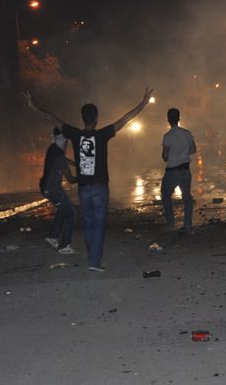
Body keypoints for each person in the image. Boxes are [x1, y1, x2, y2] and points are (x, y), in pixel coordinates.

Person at [23, 88, 154, 272]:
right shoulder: (102, 135)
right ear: (96, 118)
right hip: (100, 188)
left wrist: (34, 107)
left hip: (84, 188)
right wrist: (143, 103)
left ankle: (91, 258)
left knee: (88, 223)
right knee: (99, 224)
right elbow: (125, 119)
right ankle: (94, 261)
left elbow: (52, 118)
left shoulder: (75, 134)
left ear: (83, 118)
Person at [40, 127, 78, 254]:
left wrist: (75, 164)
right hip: (53, 190)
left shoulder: (53, 149)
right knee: (70, 213)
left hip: (50, 188)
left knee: (64, 209)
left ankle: (52, 236)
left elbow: (64, 160)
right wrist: (85, 177)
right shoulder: (59, 155)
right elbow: (71, 179)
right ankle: (64, 246)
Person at [161, 108, 196, 233]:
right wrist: (183, 152)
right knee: (186, 197)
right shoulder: (187, 133)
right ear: (179, 118)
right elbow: (193, 150)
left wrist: (171, 154)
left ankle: (170, 220)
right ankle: (187, 224)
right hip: (185, 170)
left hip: (172, 171)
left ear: (168, 120)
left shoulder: (167, 137)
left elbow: (165, 157)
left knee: (165, 195)